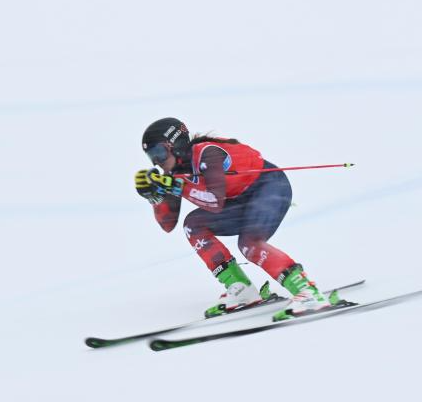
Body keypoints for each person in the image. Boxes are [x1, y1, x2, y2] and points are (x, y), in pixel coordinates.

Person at [134, 117, 341, 319]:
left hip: (269, 186)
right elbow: (168, 224)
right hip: (242, 198)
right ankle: (241, 288)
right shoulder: (173, 174)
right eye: (151, 157)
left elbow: (215, 202)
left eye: (159, 153)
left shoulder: (207, 153)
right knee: (193, 226)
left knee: (249, 243)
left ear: (175, 145)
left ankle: (307, 292)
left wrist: (177, 187)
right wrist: (155, 196)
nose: (157, 162)